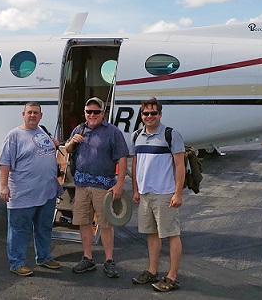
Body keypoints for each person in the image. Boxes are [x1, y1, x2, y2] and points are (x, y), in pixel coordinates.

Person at [64, 97, 129, 278]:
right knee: (84, 222)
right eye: (88, 111)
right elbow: (67, 150)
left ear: (103, 113)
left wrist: (120, 184)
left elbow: (122, 157)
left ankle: (109, 261)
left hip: (104, 186)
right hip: (82, 185)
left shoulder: (113, 132)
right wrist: (72, 142)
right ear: (85, 113)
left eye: (96, 112)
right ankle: (88, 258)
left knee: (106, 224)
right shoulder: (79, 129)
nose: (92, 115)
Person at [0, 102, 62, 276]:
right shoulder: (14, 135)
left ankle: (44, 257)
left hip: (46, 192)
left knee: (44, 227)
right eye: (29, 112)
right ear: (23, 114)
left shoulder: (43, 131)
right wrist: (3, 186)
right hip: (23, 194)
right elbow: (4, 162)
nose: (32, 115)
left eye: (36, 113)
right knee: (19, 229)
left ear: (41, 116)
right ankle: (17, 263)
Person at [129, 97, 186, 292]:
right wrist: (136, 189)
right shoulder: (137, 135)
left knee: (171, 234)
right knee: (151, 234)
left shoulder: (171, 135)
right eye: (146, 113)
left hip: (164, 193)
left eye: (154, 113)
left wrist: (178, 193)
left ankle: (172, 276)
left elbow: (180, 165)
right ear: (142, 115)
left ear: (160, 114)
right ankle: (152, 271)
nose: (149, 116)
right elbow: (136, 164)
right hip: (145, 194)